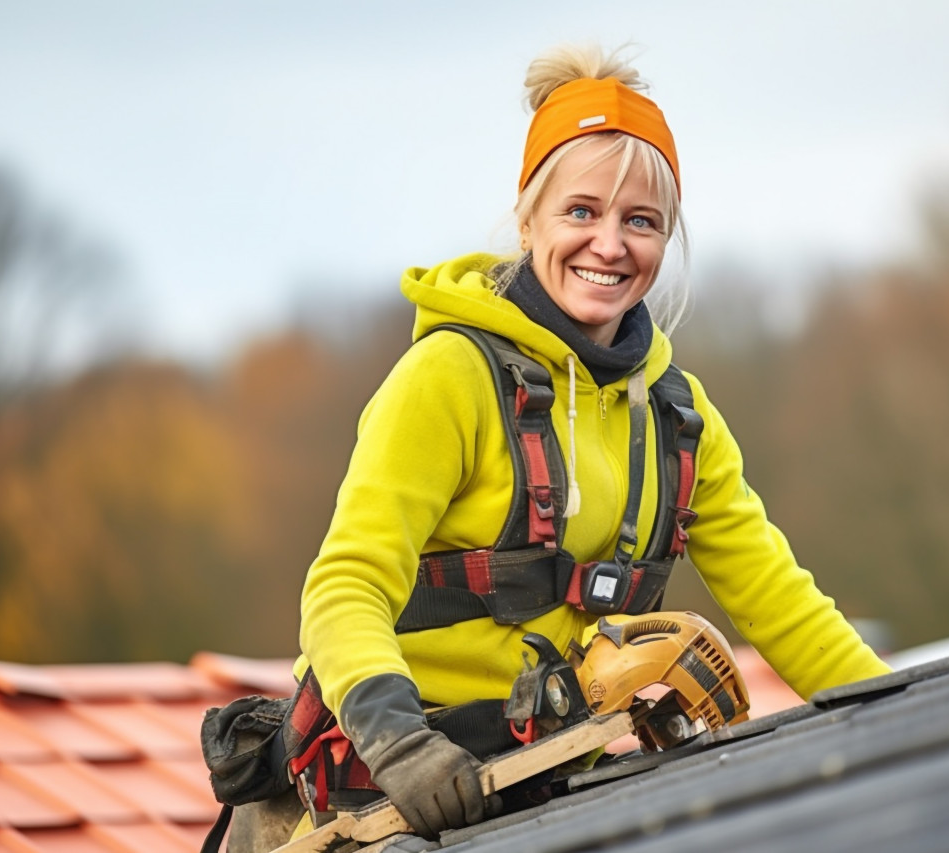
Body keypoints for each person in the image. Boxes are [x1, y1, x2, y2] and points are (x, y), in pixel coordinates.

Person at [291, 43, 890, 840]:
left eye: (639, 222)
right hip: (389, 793)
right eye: (581, 212)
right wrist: (401, 742)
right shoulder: (447, 377)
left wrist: (912, 714)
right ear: (529, 214)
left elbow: (783, 602)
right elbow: (343, 586)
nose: (609, 244)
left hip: (558, 785)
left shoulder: (677, 417)